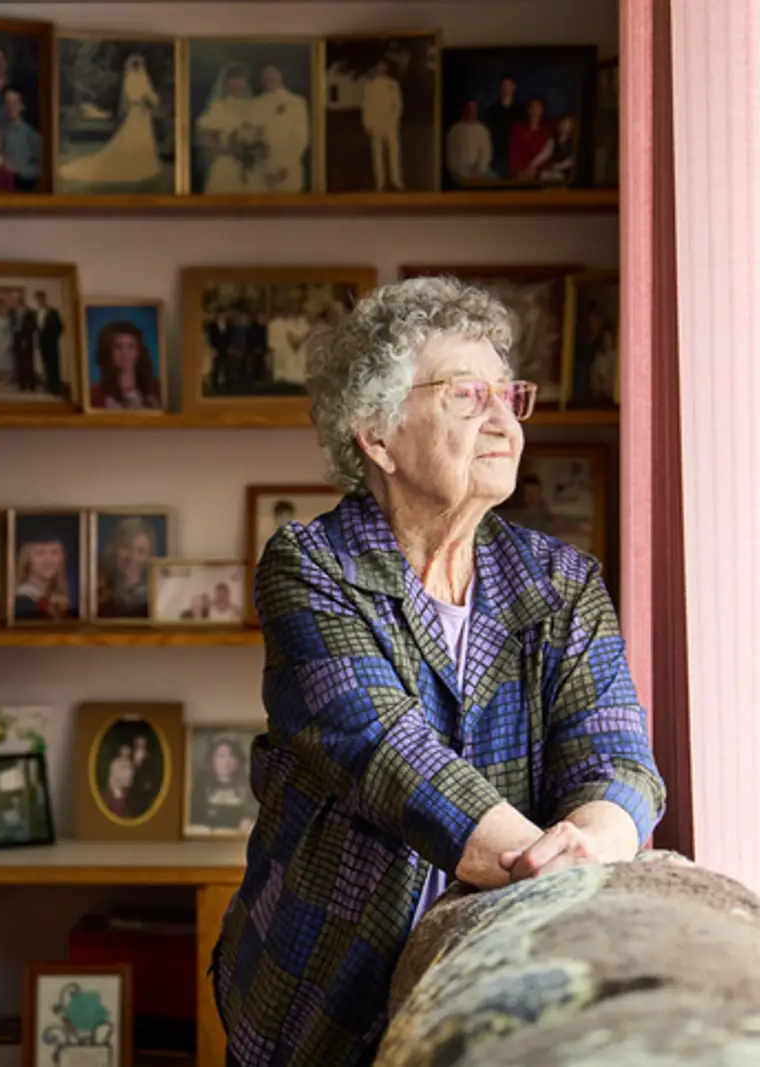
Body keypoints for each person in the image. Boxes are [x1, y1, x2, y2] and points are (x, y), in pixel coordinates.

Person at [211, 277, 665, 1067]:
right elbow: (385, 752)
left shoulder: (562, 583)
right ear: (378, 436)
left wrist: (589, 848)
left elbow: (618, 761)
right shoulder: (311, 567)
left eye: (509, 394)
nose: (503, 420)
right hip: (318, 988)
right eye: (465, 394)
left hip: (489, 984)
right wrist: (541, 866)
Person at [58, 54, 162, 187]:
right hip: (136, 110)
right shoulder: (130, 78)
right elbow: (131, 96)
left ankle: (142, 161)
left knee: (143, 137)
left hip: (144, 112)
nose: (138, 67)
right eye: (135, 65)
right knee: (133, 135)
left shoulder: (143, 78)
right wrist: (141, 100)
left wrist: (150, 100)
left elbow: (149, 93)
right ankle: (131, 161)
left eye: (139, 65)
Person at [195, 62, 261, 193]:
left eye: (240, 78)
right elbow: (208, 139)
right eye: (233, 79)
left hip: (252, 166)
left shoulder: (255, 106)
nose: (237, 83)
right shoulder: (219, 107)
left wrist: (251, 151)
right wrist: (230, 150)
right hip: (226, 164)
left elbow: (261, 134)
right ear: (226, 83)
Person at [250, 63, 309, 193]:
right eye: (266, 73)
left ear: (281, 74)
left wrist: (284, 170)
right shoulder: (255, 104)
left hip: (287, 171)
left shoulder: (296, 102)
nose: (270, 77)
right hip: (261, 172)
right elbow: (252, 136)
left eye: (274, 72)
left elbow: (300, 139)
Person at [89, 319, 161, 410]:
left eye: (131, 347)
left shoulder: (157, 389)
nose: (125, 354)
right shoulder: (95, 394)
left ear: (138, 352)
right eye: (118, 347)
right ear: (108, 352)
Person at [189, 737, 254, 833]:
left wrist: (250, 820)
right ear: (211, 759)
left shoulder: (249, 786)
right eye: (220, 756)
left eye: (231, 756)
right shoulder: (200, 785)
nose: (226, 761)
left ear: (238, 760)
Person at [96, 515, 156, 619]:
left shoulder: (155, 599)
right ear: (115, 549)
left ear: (149, 557)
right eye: (126, 547)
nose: (133, 557)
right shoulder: (98, 593)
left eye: (141, 551)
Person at [361, 57, 404, 191]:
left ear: (386, 69)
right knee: (377, 154)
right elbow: (366, 106)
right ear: (375, 69)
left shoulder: (392, 84)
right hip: (376, 123)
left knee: (393, 152)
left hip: (390, 123)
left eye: (383, 67)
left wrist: (394, 119)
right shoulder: (369, 86)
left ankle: (395, 179)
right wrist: (367, 124)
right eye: (378, 68)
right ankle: (380, 181)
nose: (381, 70)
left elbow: (398, 105)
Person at [13, 536, 74, 621]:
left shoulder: (59, 597)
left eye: (54, 553)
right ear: (27, 559)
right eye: (40, 553)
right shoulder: (21, 600)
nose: (48, 560)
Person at [0, 88, 41, 189]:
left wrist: (19, 170)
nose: (11, 107)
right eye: (7, 103)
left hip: (22, 188)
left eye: (14, 103)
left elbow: (41, 167)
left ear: (21, 106)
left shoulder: (31, 134)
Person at [445, 99, 493, 182]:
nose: (471, 112)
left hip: (479, 170)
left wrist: (480, 172)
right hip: (459, 170)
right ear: (463, 110)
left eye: (474, 109)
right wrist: (465, 175)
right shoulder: (454, 130)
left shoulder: (483, 130)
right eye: (468, 109)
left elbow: (486, 154)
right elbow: (451, 158)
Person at [509, 96, 555, 181]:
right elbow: (513, 151)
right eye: (532, 107)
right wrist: (518, 172)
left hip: (539, 174)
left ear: (542, 110)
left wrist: (534, 170)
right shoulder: (518, 128)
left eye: (538, 107)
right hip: (519, 172)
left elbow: (546, 155)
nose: (535, 110)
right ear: (528, 110)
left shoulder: (547, 132)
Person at [34, 290, 64, 397]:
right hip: (42, 342)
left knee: (53, 364)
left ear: (44, 298)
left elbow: (60, 327)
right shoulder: (37, 312)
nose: (39, 301)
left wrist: (52, 337)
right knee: (45, 364)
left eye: (41, 298)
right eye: (37, 299)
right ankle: (48, 385)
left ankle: (55, 386)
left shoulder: (52, 312)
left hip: (51, 342)